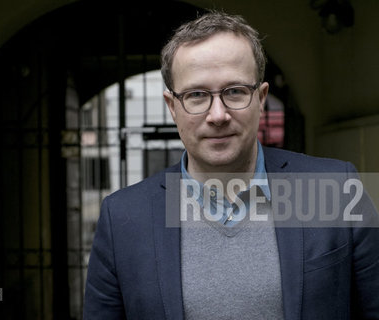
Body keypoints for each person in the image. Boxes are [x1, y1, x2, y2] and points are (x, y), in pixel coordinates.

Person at [83, 10, 379, 320]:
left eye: (235, 92)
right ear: (173, 107)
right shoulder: (123, 218)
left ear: (261, 98)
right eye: (197, 95)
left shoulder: (335, 189)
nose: (218, 115)